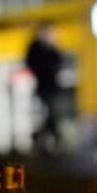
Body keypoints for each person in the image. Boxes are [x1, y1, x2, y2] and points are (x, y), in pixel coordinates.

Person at [25, 22, 63, 153]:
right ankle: (52, 136)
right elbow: (31, 63)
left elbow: (58, 61)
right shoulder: (35, 47)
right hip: (43, 86)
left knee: (50, 113)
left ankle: (40, 136)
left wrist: (51, 47)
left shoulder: (52, 47)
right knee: (49, 112)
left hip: (52, 86)